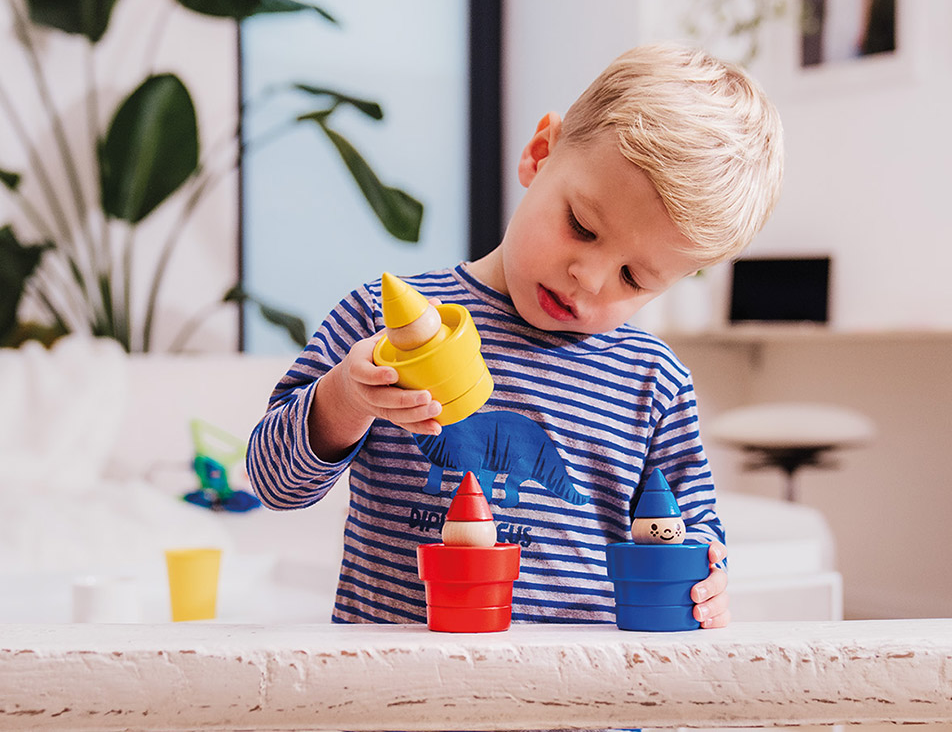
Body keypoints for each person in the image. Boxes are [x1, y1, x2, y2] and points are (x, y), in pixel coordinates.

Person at [247, 42, 784, 629]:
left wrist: (707, 576)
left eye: (634, 277)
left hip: (577, 705)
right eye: (581, 226)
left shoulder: (653, 380)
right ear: (539, 155)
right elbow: (272, 481)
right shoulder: (386, 321)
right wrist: (346, 397)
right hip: (396, 699)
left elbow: (692, 523)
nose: (589, 277)